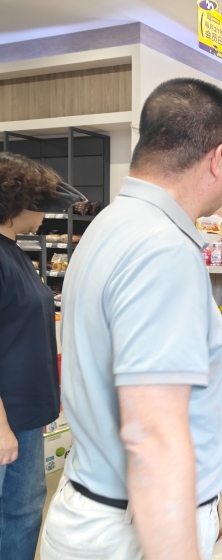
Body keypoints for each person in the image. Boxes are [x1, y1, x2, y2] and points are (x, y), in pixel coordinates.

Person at [41, 78, 222, 560]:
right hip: (133, 531)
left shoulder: (111, 225)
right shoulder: (163, 249)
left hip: (99, 511)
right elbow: (154, 438)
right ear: (218, 159)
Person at [0, 153, 85, 560]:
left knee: (24, 510)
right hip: (7, 419)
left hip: (25, 418)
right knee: (16, 512)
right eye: (40, 203)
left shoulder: (14, 251)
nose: (47, 214)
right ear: (18, 202)